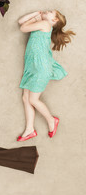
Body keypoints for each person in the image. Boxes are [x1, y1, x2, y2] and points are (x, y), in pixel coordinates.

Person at [16, 10, 75, 142]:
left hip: (40, 68)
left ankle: (51, 120)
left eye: (50, 12)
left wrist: (36, 16)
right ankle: (30, 129)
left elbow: (23, 27)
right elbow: (21, 21)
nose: (46, 11)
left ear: (54, 20)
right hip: (32, 66)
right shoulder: (41, 23)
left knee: (33, 100)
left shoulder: (45, 24)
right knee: (26, 98)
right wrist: (35, 15)